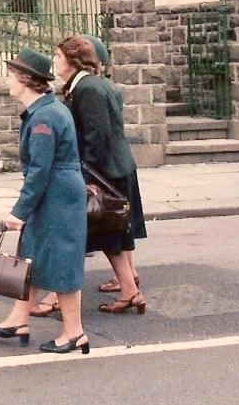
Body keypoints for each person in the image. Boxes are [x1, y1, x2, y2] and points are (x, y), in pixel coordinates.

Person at [0, 48, 89, 355]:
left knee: (60, 261)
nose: (7, 81)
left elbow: (40, 171)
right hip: (55, 192)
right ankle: (19, 319)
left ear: (25, 80)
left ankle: (74, 333)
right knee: (32, 256)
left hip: (56, 195)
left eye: (11, 75)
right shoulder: (45, 110)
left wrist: (19, 211)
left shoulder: (44, 117)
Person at [57, 35, 146, 314]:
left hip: (106, 171)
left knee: (107, 234)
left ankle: (129, 291)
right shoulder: (88, 85)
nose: (55, 61)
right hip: (113, 168)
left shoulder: (89, 89)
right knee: (111, 235)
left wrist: (86, 176)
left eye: (58, 56)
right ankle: (130, 290)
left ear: (73, 61)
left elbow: (97, 135)